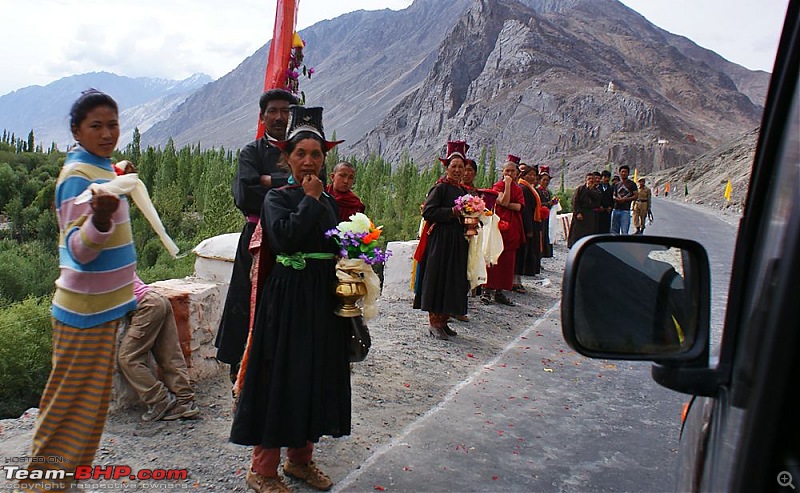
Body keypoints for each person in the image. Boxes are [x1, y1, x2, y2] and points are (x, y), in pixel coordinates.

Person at [20, 90, 138, 491]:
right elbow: (78, 251)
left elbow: (104, 181)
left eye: (113, 124)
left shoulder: (100, 167)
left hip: (102, 310)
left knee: (89, 408)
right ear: (76, 131)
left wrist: (118, 175)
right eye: (96, 126)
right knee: (67, 408)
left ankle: (65, 482)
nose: (107, 133)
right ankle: (40, 485)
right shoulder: (75, 179)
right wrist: (101, 222)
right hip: (84, 312)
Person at [230, 106, 347, 493]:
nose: (309, 161)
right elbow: (286, 239)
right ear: (287, 158)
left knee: (311, 375)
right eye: (301, 154)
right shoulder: (277, 198)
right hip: (286, 303)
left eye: (316, 154)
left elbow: (333, 244)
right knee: (280, 378)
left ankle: (301, 461)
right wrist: (311, 201)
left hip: (318, 300)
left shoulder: (329, 201)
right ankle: (262, 469)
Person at [216, 89, 299, 383]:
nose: (279, 117)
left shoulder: (304, 151)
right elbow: (245, 195)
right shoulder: (251, 152)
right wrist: (290, 182)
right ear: (262, 117)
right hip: (256, 239)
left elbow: (317, 187)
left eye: (286, 111)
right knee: (248, 303)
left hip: (294, 240)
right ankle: (242, 370)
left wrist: (269, 181)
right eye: (273, 111)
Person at [117, 274, 200, 422]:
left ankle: (160, 399)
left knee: (128, 358)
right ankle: (185, 402)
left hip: (145, 306)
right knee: (169, 355)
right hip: (158, 300)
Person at [413, 141, 470, 339]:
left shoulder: (463, 191)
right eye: (453, 166)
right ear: (446, 168)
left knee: (452, 279)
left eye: (460, 167)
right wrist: (451, 212)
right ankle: (434, 322)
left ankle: (444, 321)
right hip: (440, 240)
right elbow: (428, 211)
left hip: (457, 241)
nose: (457, 170)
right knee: (439, 277)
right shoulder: (440, 188)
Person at [482, 158, 525, 306]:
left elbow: (519, 207)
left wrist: (509, 204)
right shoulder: (498, 185)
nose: (509, 173)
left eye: (512, 171)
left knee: (507, 261)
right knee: (493, 257)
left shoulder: (518, 189)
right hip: (498, 227)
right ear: (502, 172)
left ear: (517, 173)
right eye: (507, 170)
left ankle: (500, 291)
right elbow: (505, 202)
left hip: (512, 228)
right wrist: (507, 185)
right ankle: (487, 290)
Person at [515, 164, 542, 284]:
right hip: (526, 223)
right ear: (523, 175)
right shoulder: (524, 188)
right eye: (529, 174)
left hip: (531, 221)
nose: (532, 177)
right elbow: (525, 210)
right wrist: (529, 228)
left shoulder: (530, 188)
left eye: (534, 175)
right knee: (522, 252)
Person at [567, 173, 601, 248]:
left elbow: (597, 201)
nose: (591, 181)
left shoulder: (596, 190)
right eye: (589, 179)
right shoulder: (580, 189)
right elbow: (575, 201)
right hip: (580, 213)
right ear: (586, 180)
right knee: (577, 232)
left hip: (590, 214)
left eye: (592, 179)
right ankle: (575, 246)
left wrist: (590, 190)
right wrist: (578, 212)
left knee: (589, 232)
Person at [610, 165, 638, 235]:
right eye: (622, 172)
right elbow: (614, 195)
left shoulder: (632, 184)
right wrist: (616, 199)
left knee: (624, 231)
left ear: (628, 173)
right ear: (619, 173)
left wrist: (626, 199)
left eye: (625, 172)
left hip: (625, 210)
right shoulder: (617, 184)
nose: (623, 173)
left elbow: (636, 196)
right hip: (616, 209)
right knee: (614, 231)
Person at [537, 167, 555, 258]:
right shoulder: (537, 191)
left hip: (546, 217)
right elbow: (538, 204)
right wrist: (548, 203)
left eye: (547, 180)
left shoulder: (547, 192)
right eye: (544, 180)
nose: (546, 182)